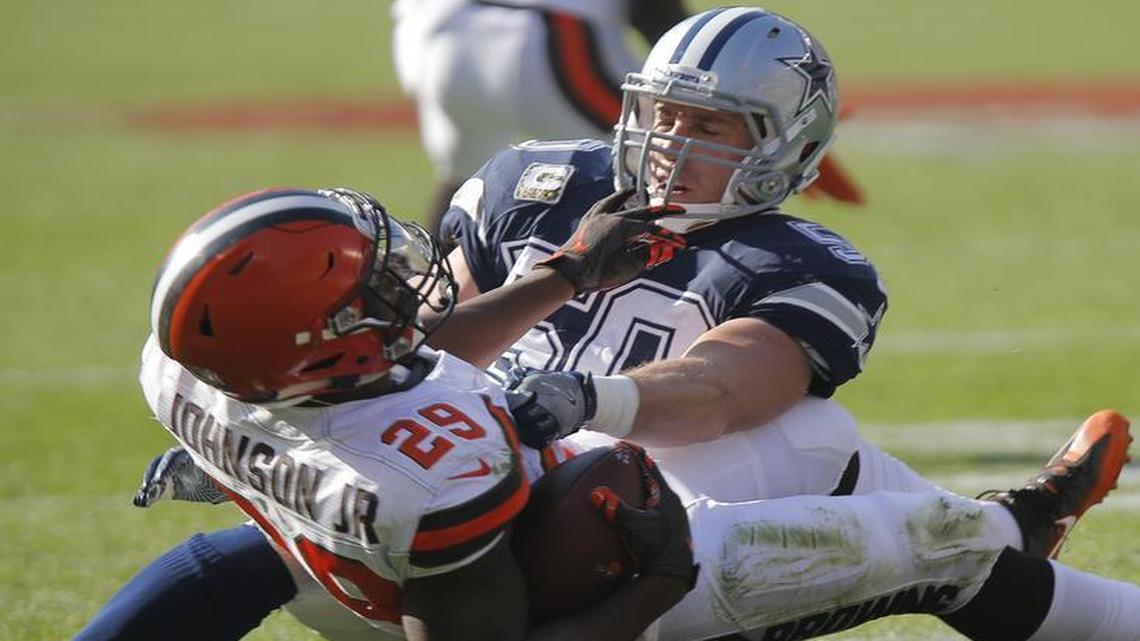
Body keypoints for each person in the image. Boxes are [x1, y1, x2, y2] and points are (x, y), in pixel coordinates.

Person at [75, 187, 1140, 640]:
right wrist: (658, 580)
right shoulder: (434, 474)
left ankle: (1026, 517)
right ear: (323, 341)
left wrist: (568, 273)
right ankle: (1044, 552)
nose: (400, 287)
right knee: (944, 544)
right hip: (588, 580)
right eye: (371, 290)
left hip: (354, 558)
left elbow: (397, 381)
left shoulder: (194, 370)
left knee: (814, 440)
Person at [390, 0, 862, 237]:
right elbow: (659, 15)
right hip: (550, 35)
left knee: (463, 182)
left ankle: (418, 310)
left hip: (432, 36)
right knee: (661, 169)